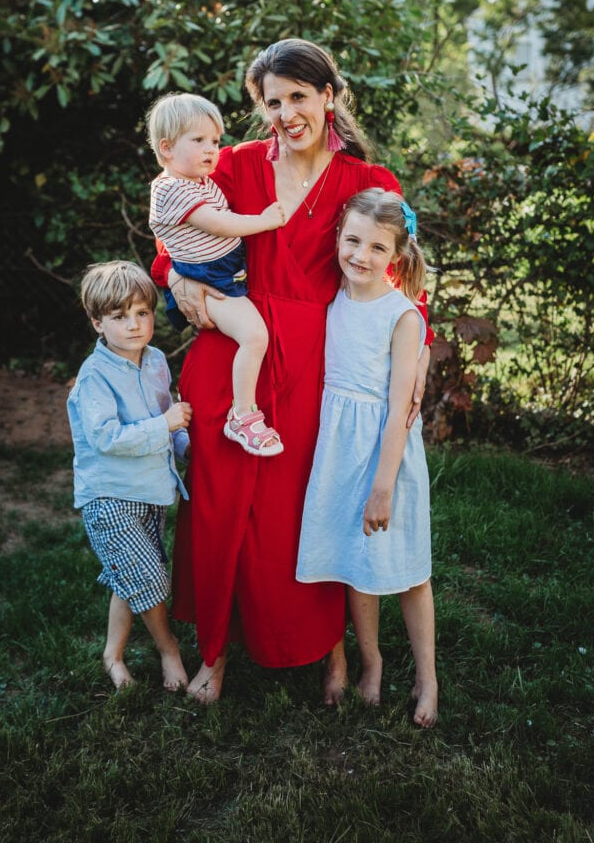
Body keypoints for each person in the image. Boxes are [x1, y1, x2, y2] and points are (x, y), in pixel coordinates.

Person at [151, 38, 434, 704]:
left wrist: (416, 353)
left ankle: (328, 651)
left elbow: (409, 276)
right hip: (234, 352)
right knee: (221, 509)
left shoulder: (369, 181)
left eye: (298, 97)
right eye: (271, 102)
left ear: (328, 96)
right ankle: (214, 652)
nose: (285, 113)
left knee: (298, 511)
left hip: (316, 362)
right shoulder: (237, 166)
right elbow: (177, 237)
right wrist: (177, 284)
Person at [296, 189, 438, 727]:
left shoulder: (401, 316)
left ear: (396, 257)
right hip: (339, 451)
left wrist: (383, 483)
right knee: (359, 564)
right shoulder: (332, 295)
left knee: (409, 569)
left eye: (376, 247)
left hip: (387, 455)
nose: (360, 255)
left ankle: (427, 677)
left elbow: (400, 406)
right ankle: (372, 663)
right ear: (337, 238)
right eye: (351, 240)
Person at [66, 260, 192, 692]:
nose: (135, 325)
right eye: (120, 317)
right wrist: (168, 425)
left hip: (152, 491)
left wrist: (184, 444)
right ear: (97, 322)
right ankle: (169, 648)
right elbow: (107, 438)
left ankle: (112, 655)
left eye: (142, 313)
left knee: (131, 577)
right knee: (152, 580)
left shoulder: (156, 361)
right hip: (110, 497)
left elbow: (164, 419)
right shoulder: (94, 377)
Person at [147, 92, 286, 457]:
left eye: (215, 141)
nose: (212, 149)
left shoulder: (198, 180)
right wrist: (265, 221)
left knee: (254, 336)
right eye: (198, 141)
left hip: (224, 272)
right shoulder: (170, 188)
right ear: (167, 148)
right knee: (255, 336)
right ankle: (243, 415)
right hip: (210, 281)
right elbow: (220, 224)